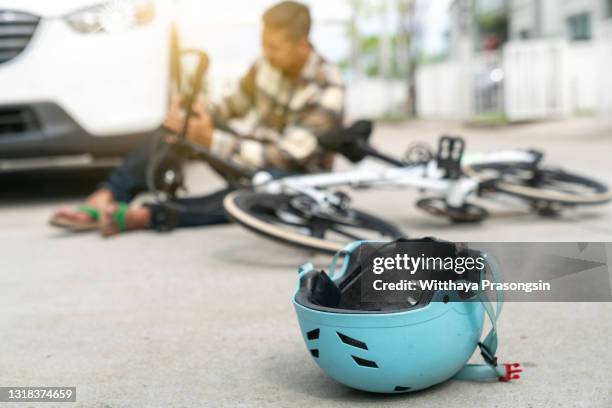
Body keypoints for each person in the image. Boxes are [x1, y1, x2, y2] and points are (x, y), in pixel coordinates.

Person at [50, 1, 345, 236]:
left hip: (296, 178)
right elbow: (232, 106)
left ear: (302, 44)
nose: (266, 53)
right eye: (264, 43)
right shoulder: (265, 64)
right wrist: (196, 114)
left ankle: (148, 215)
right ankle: (107, 194)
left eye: (275, 47)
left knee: (249, 197)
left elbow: (287, 156)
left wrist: (212, 140)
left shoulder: (328, 86)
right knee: (179, 125)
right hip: (249, 158)